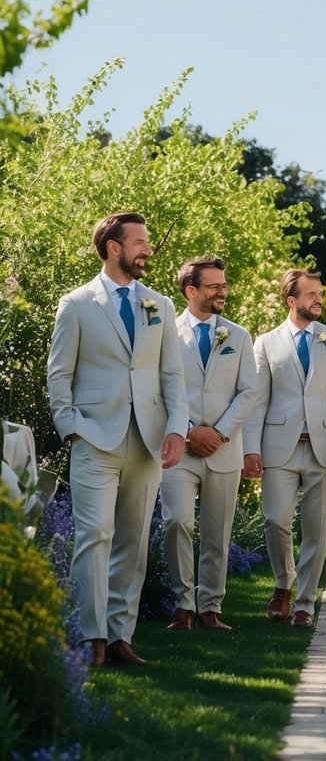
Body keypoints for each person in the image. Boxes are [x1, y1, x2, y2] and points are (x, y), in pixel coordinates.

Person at [47, 212, 188, 667]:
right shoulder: (76, 304)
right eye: (140, 242)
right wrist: (71, 428)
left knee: (133, 540)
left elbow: (172, 376)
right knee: (94, 536)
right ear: (113, 247)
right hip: (93, 438)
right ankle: (91, 638)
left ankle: (120, 635)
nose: (148, 250)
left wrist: (175, 429)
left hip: (147, 442)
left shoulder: (160, 305)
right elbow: (59, 375)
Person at [243, 269, 326, 629]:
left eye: (320, 293)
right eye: (311, 295)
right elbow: (257, 401)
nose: (318, 299)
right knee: (276, 519)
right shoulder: (265, 343)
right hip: (279, 447)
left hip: (323, 446)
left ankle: (305, 602)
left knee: (316, 529)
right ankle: (283, 585)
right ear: (292, 301)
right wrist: (251, 448)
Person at [160, 256, 257, 632]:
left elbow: (248, 392)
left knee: (218, 532)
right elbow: (158, 388)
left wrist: (217, 433)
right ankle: (183, 604)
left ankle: (210, 607)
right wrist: (187, 431)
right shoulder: (166, 333)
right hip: (177, 450)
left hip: (223, 449)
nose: (223, 292)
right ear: (191, 291)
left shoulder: (239, 335)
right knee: (176, 522)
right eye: (214, 286)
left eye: (224, 285)